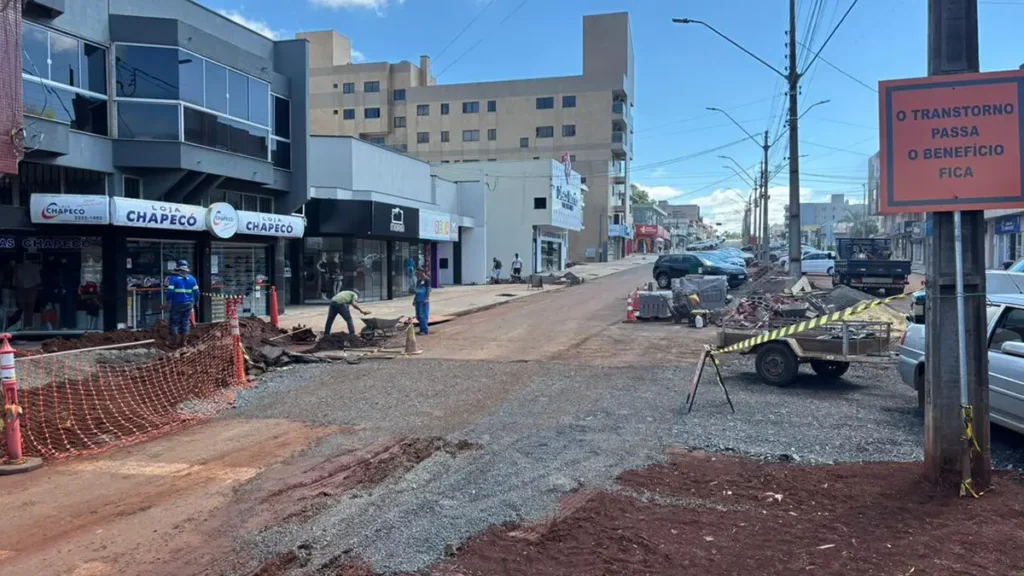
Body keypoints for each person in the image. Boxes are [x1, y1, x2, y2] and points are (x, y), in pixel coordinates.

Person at [165, 259, 199, 348]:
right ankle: (183, 343)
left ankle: (173, 343)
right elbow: (196, 292)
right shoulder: (192, 279)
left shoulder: (174, 278)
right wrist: (197, 301)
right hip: (189, 304)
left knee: (174, 322)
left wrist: (167, 300)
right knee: (185, 322)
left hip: (177, 303)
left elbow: (170, 292)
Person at [413, 269, 431, 335]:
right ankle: (422, 328)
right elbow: (417, 291)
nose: (416, 275)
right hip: (418, 300)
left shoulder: (427, 280)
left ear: (421, 272)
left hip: (423, 300)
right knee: (418, 316)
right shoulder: (418, 281)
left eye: (417, 273)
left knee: (423, 315)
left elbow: (428, 290)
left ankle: (424, 330)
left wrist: (426, 299)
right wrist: (414, 300)